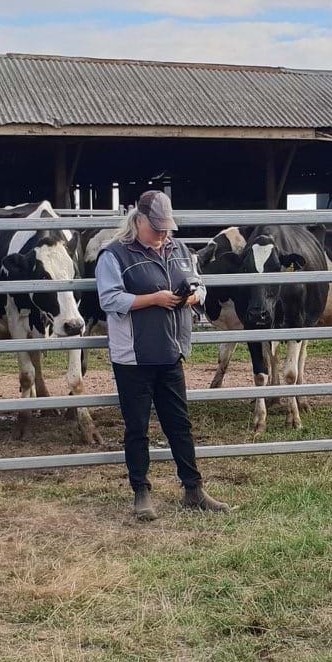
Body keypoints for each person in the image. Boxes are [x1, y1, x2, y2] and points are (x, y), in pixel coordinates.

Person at [95, 190, 232, 521]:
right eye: (156, 227)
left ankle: (193, 488)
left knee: (179, 424)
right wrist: (153, 299)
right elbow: (109, 300)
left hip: (171, 352)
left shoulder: (180, 250)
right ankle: (141, 491)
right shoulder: (114, 255)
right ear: (139, 220)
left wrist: (192, 297)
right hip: (134, 356)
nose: (162, 234)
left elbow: (200, 286)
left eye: (166, 228)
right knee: (137, 427)